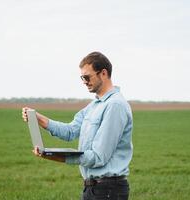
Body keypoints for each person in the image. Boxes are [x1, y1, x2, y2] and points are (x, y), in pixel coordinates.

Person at [22, 51, 133, 200]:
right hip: (93, 189)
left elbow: (98, 157)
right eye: (82, 78)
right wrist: (38, 119)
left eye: (87, 77)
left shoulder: (115, 106)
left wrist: (57, 156)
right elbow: (70, 131)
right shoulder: (94, 106)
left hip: (108, 190)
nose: (84, 81)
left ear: (104, 73)